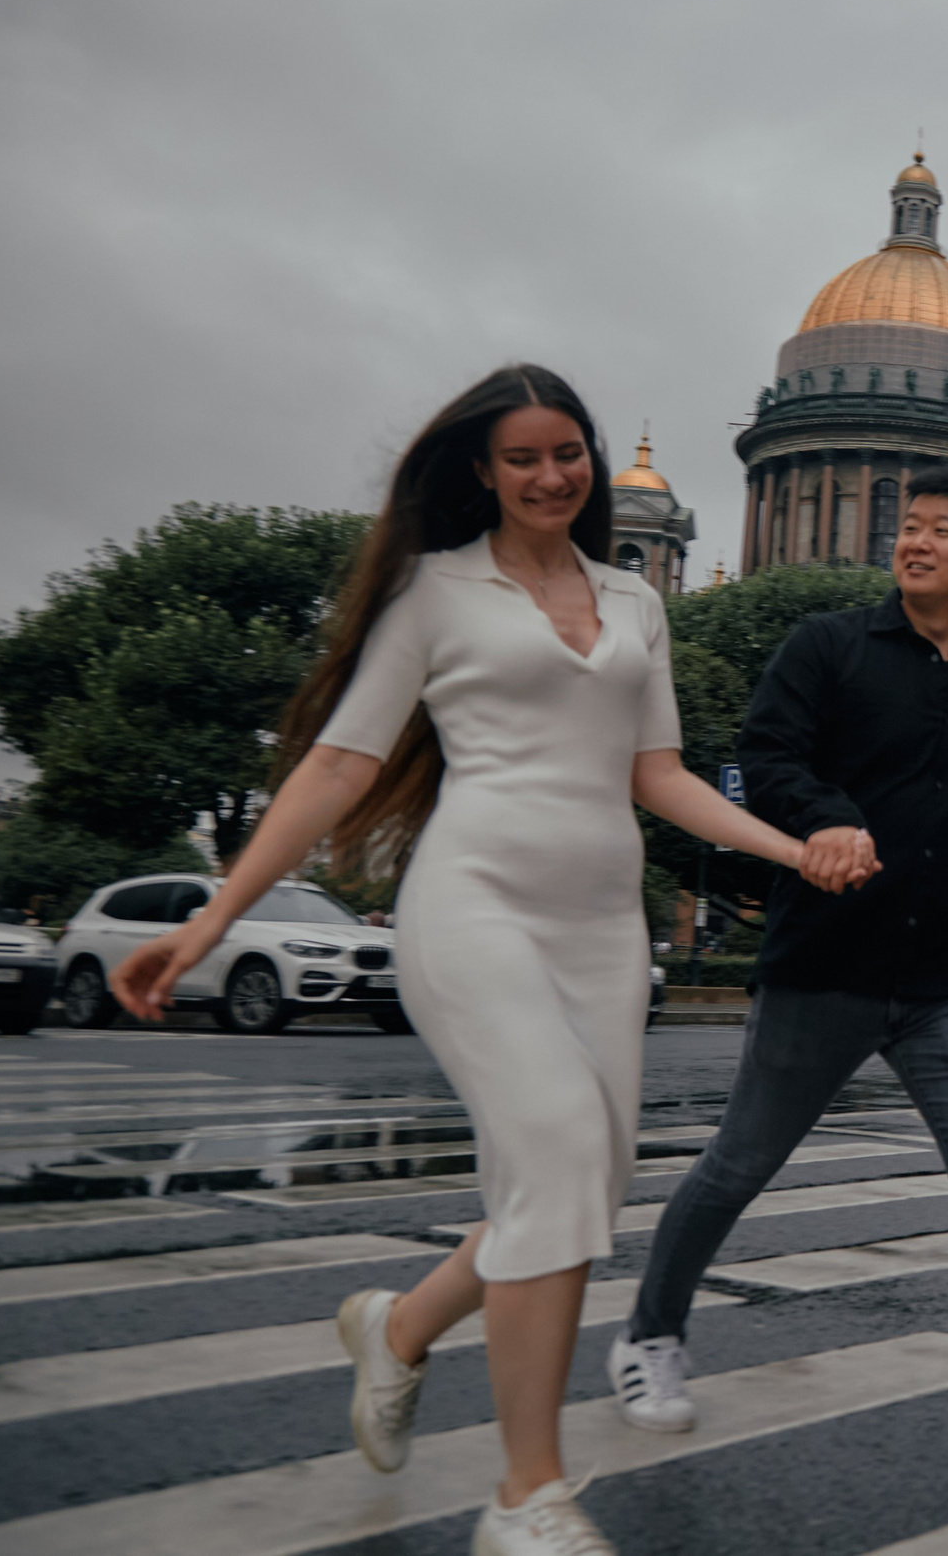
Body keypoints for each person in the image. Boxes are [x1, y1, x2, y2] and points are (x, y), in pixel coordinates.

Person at [109, 367, 808, 1556]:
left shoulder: (635, 603)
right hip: (473, 904)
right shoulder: (434, 592)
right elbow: (338, 767)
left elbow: (660, 775)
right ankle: (526, 1495)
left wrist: (794, 850)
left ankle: (397, 1328)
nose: (551, 476)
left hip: (601, 928)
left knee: (572, 1187)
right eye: (522, 457)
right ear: (480, 471)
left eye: (567, 453)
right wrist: (215, 916)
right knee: (552, 1151)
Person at [617, 464, 948, 1498]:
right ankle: (649, 1334)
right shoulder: (823, 647)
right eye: (906, 527)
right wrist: (821, 814)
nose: (913, 542)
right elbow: (765, 757)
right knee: (738, 1164)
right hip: (827, 959)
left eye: (940, 529)